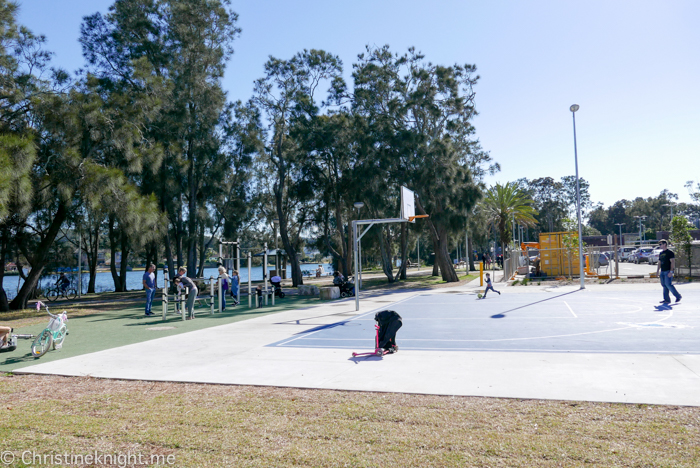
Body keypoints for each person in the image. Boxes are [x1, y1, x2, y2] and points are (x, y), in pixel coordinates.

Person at [656, 239, 682, 304]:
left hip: (668, 271)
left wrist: (671, 271)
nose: (660, 245)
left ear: (665, 244)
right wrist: (657, 271)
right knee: (664, 285)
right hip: (662, 271)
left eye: (661, 244)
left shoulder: (670, 253)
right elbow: (659, 263)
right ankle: (666, 299)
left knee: (668, 284)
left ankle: (678, 296)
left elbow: (672, 262)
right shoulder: (661, 253)